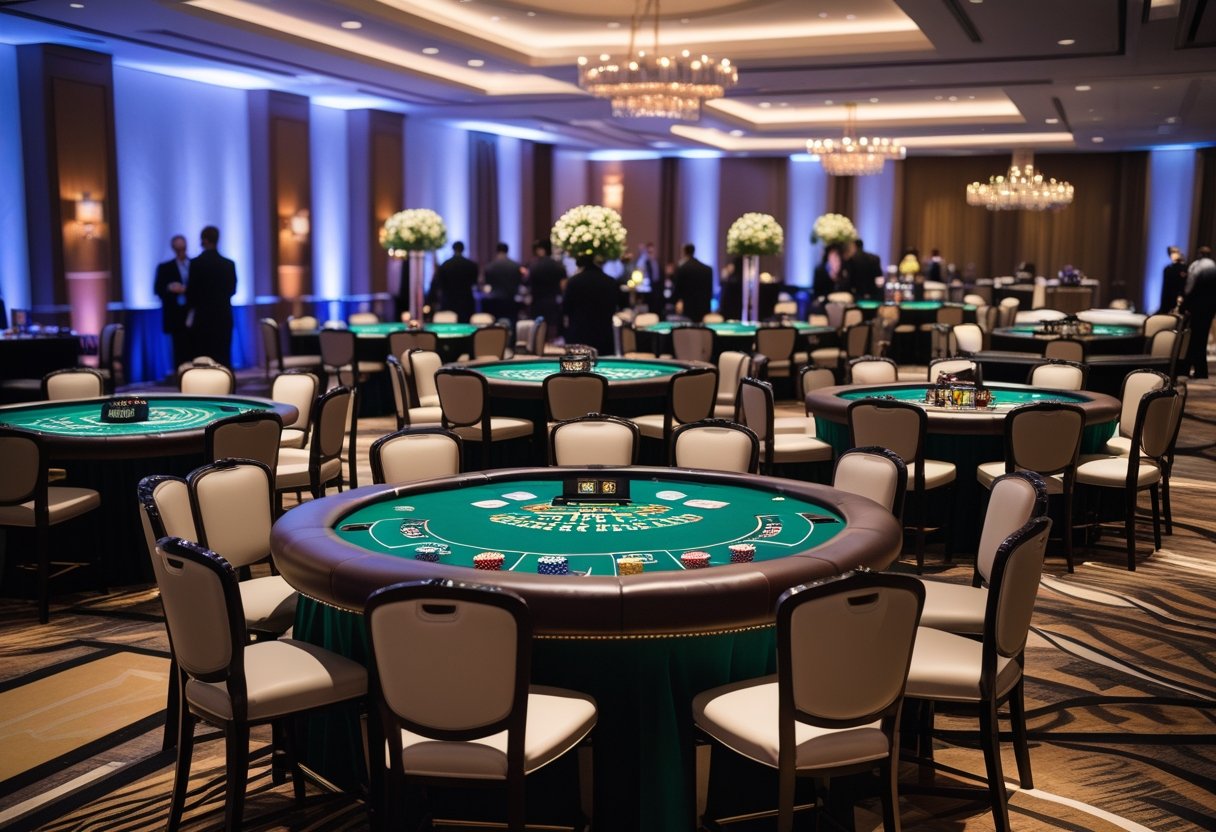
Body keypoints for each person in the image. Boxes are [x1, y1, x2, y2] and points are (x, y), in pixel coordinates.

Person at [185, 226, 236, 368]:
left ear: (204, 240)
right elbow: (232, 290)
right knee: (223, 358)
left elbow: (192, 293)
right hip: (223, 317)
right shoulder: (229, 264)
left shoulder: (195, 264)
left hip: (203, 318)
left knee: (203, 359)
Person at [562, 255, 619, 355]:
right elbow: (617, 307)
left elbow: (565, 308)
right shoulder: (611, 282)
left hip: (578, 336)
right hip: (604, 336)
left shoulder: (574, 282)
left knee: (578, 369)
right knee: (603, 369)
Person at [154, 234, 191, 369]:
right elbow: (157, 289)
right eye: (178, 249)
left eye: (183, 248)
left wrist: (187, 289)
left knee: (195, 348)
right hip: (175, 315)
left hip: (193, 313)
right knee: (178, 349)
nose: (181, 251)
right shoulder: (165, 268)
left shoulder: (195, 265)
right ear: (174, 249)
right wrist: (170, 288)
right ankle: (180, 377)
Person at [1181, 245, 1216, 379]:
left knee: (1192, 339)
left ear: (1199, 254)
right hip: (1210, 309)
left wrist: (1184, 306)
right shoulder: (1213, 266)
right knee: (1202, 339)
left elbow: (1189, 287)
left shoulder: (1197, 266)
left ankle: (1185, 369)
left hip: (1197, 308)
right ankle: (1202, 371)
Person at [427, 241, 479, 321]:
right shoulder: (471, 265)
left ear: (453, 249)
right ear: (463, 249)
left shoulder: (445, 265)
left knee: (449, 326)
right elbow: (474, 282)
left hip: (449, 301)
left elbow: (440, 284)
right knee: (466, 326)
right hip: (466, 301)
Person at [526, 239, 566, 341]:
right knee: (552, 333)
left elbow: (528, 284)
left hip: (537, 303)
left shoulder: (533, 266)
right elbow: (563, 287)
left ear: (541, 250)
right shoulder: (558, 266)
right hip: (553, 304)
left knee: (538, 332)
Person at [672, 243, 713, 322]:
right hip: (704, 306)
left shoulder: (682, 268)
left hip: (688, 307)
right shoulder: (707, 269)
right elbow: (709, 290)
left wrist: (675, 302)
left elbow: (678, 289)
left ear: (684, 251)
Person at [482, 242, 523, 321]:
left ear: (497, 251)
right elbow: (519, 282)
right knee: (512, 322)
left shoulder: (490, 266)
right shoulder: (515, 266)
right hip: (511, 300)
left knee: (496, 324)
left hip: (495, 301)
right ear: (507, 251)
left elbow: (487, 285)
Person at [635, 242, 662, 317]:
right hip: (647, 287)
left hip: (656, 286)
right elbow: (639, 269)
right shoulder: (644, 261)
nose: (651, 254)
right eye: (649, 252)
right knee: (648, 306)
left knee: (656, 306)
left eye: (652, 252)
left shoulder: (656, 261)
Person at [1160, 246, 1187, 314]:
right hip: (1168, 300)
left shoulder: (1185, 268)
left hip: (1180, 299)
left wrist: (1181, 296)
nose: (1174, 254)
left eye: (1176, 252)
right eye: (1172, 252)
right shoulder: (1168, 269)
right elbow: (1165, 288)